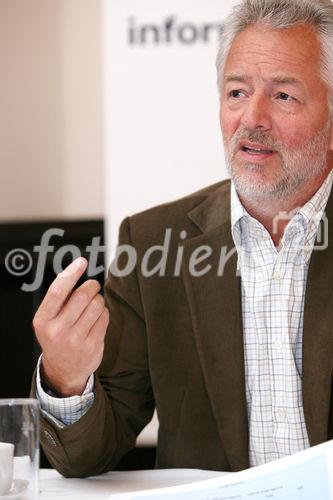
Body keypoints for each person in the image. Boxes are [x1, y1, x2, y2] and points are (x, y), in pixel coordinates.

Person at [32, 0, 333, 477]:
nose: (251, 118)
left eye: (283, 97)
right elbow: (90, 455)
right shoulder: (153, 242)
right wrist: (68, 381)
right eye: (236, 92)